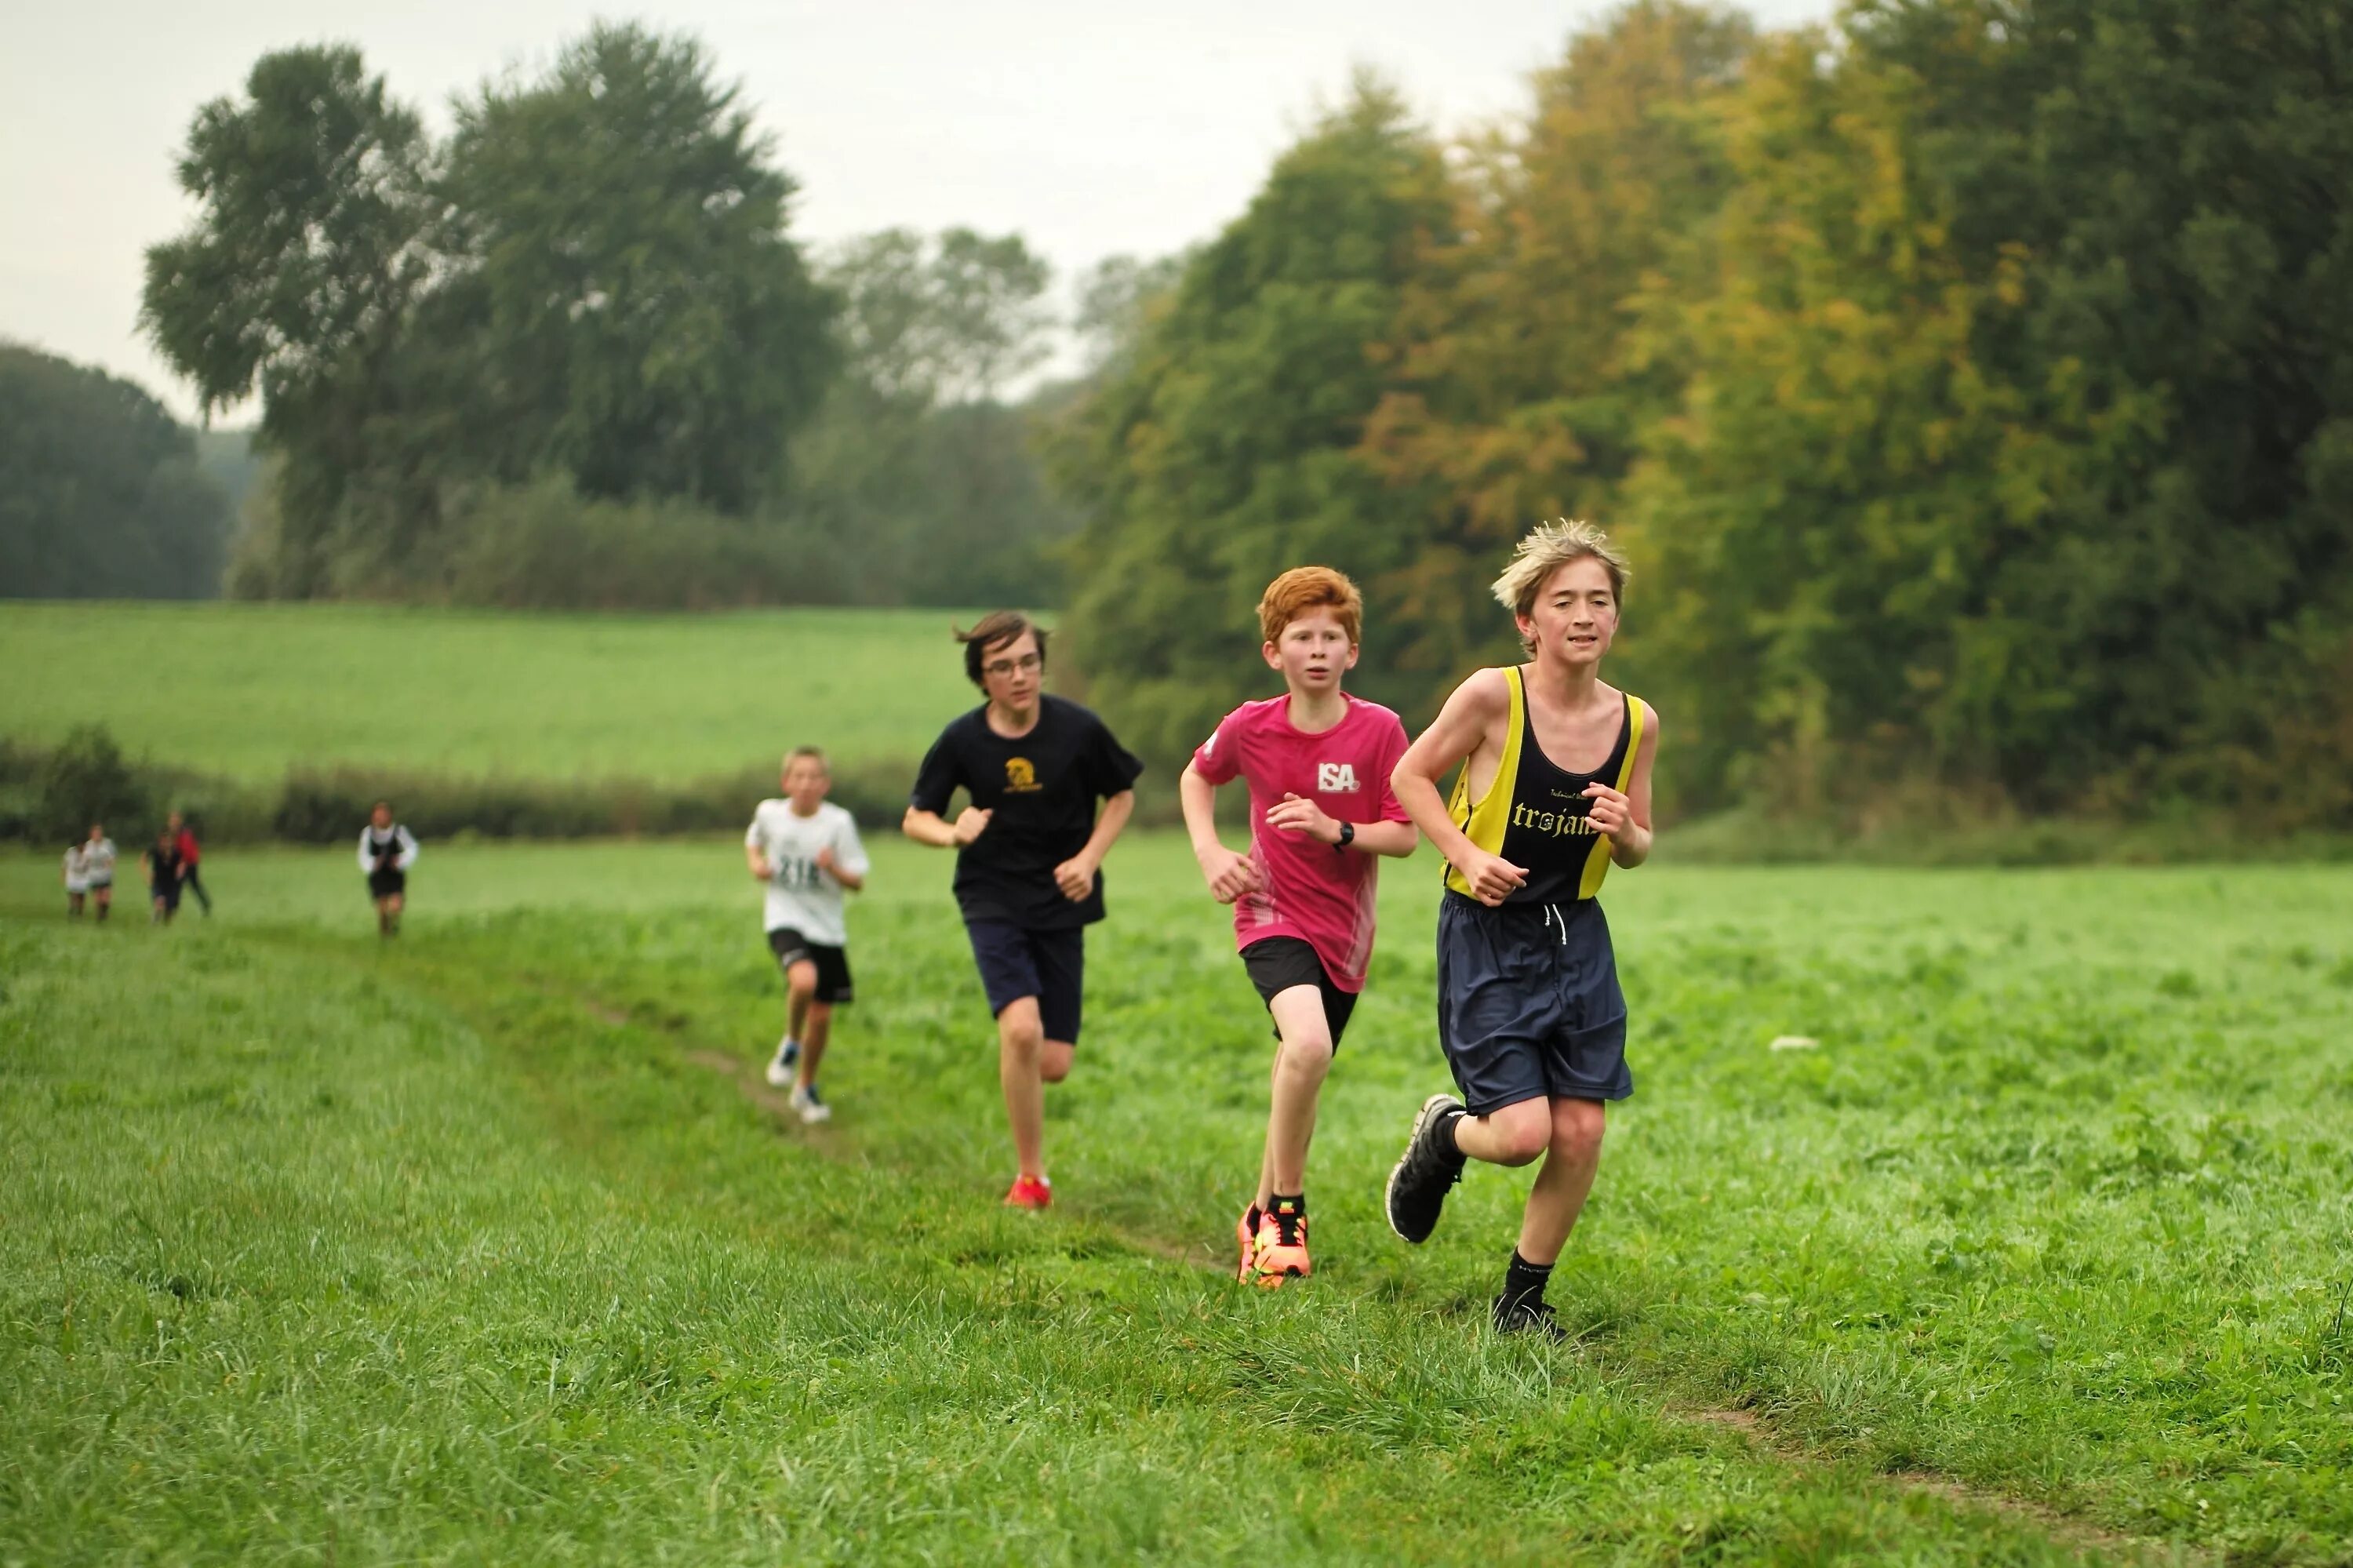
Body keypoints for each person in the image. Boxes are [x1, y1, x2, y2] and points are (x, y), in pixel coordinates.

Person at [1382, 519, 1660, 1340]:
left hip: (1579, 936)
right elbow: (1409, 775)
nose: (1583, 615)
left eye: (1599, 601)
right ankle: (1445, 1132)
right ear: (1527, 621)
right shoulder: (1489, 696)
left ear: (1615, 618)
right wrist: (1466, 852)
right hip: (1487, 935)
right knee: (1519, 1134)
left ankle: (1521, 1304)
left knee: (1580, 1127)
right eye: (1563, 600)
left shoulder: (1637, 722)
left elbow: (1641, 846)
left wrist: (1623, 830)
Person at [1180, 566, 1417, 1286]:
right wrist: (1212, 852)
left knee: (1300, 1068)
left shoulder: (1380, 730)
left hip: (1345, 933)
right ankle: (1286, 1209)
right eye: (1301, 637)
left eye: (1331, 637)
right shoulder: (1250, 724)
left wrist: (1333, 828)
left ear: (1353, 652)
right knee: (1307, 1045)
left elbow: (1404, 835)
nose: (1316, 649)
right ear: (1273, 652)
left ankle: (1257, 1221)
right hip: (1269, 912)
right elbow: (1197, 777)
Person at [904, 612, 1143, 1209]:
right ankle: (1031, 1178)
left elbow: (1121, 793)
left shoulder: (1079, 729)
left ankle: (1019, 1074)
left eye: (1028, 662)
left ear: (1042, 664)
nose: (1019, 676)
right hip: (991, 895)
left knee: (1054, 1062)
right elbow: (916, 817)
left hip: (1064, 895)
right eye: (1002, 667)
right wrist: (953, 834)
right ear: (981, 677)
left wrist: (1088, 859)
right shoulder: (962, 739)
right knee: (1022, 1030)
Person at [747, 748, 871, 1125]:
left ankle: (805, 1086)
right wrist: (757, 865)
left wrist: (833, 867)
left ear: (826, 784)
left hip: (827, 928)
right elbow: (754, 841)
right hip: (785, 916)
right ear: (786, 782)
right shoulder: (770, 813)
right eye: (798, 777)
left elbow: (858, 881)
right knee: (803, 980)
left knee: (821, 1015)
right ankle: (790, 1043)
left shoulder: (838, 824)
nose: (806, 784)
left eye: (814, 777)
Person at [358, 802, 419, 937]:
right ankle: (385, 933)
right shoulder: (368, 834)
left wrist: (400, 861)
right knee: (382, 908)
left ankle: (395, 928)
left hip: (394, 873)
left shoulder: (399, 831)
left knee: (396, 905)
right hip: (378, 875)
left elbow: (412, 848)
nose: (380, 818)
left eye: (383, 815)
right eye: (377, 816)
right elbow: (363, 854)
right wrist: (373, 864)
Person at [169, 810, 212, 916]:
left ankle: (173, 908)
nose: (173, 822)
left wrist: (181, 864)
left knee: (179, 886)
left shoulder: (185, 833)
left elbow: (187, 851)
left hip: (189, 864)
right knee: (187, 886)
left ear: (179, 820)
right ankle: (206, 904)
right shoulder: (175, 833)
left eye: (175, 820)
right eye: (171, 820)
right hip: (183, 864)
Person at [142, 828, 187, 925]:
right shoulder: (155, 851)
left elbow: (182, 863)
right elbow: (143, 859)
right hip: (158, 882)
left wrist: (180, 870)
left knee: (169, 909)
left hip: (172, 883)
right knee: (160, 902)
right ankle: (154, 923)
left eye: (167, 841)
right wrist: (147, 874)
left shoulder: (176, 852)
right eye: (163, 841)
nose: (165, 843)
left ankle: (166, 926)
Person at [81, 824, 117, 922]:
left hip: (105, 874)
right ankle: (99, 916)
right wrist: (84, 868)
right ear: (92, 834)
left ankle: (104, 912)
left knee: (105, 897)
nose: (97, 834)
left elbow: (112, 858)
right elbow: (85, 859)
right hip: (93, 874)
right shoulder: (89, 845)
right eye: (95, 833)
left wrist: (109, 865)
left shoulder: (107, 844)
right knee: (97, 897)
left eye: (99, 832)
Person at [62, 838, 89, 919]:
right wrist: (63, 875)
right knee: (73, 895)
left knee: (82, 896)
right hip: (72, 876)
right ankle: (72, 909)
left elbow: (89, 866)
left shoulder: (88, 853)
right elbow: (65, 864)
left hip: (83, 877)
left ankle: (80, 912)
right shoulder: (70, 852)